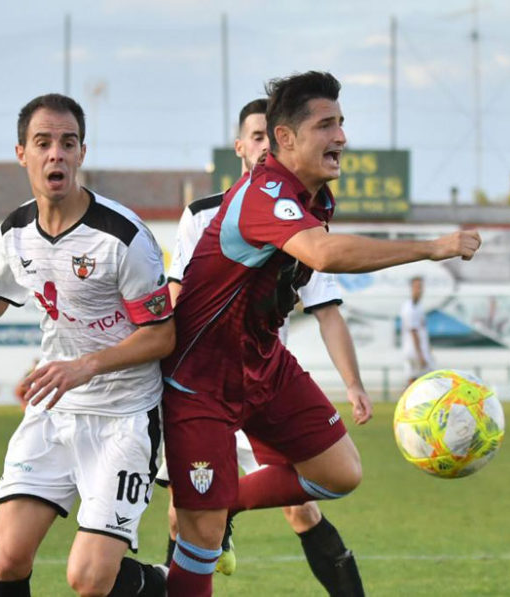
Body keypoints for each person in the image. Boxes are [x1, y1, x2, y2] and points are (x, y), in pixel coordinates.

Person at [161, 71, 481, 597]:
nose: (341, 138)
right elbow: (324, 254)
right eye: (326, 125)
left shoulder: (314, 197)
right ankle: (206, 519)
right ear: (284, 138)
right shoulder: (264, 193)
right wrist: (431, 246)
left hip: (263, 364)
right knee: (200, 538)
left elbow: (322, 299)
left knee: (340, 473)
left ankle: (227, 497)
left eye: (342, 123)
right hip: (203, 381)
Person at [0, 93, 174, 597]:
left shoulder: (123, 238)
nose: (57, 154)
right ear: (21, 153)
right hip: (53, 412)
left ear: (81, 154)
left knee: (89, 580)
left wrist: (86, 366)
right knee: (8, 560)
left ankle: (161, 584)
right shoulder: (15, 231)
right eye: (44, 143)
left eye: (67, 143)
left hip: (124, 417)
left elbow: (162, 334)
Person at [159, 98, 370, 595]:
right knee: (189, 519)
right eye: (254, 138)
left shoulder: (306, 215)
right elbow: (176, 294)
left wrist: (354, 384)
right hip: (205, 379)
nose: (262, 147)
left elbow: (326, 310)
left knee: (304, 503)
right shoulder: (203, 216)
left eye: (267, 138)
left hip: (266, 378)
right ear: (241, 147)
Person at [401, 276, 436, 385]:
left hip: (421, 349)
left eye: (421, 287)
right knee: (417, 380)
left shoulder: (419, 306)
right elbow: (413, 332)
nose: (420, 290)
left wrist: (428, 349)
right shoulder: (409, 308)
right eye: (417, 287)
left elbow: (422, 331)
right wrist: (420, 355)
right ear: (411, 288)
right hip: (414, 350)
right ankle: (406, 401)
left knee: (419, 380)